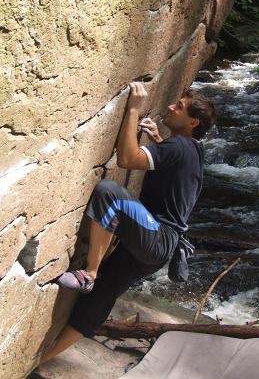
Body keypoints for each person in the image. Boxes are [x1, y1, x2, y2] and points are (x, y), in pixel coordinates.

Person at [38, 82, 215, 364]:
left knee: (111, 194)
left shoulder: (179, 146)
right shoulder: (193, 150)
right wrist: (158, 141)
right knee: (104, 293)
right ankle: (43, 359)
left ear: (192, 121)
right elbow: (176, 169)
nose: (171, 106)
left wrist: (133, 108)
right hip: (158, 250)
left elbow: (126, 159)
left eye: (178, 107)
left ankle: (89, 274)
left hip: (157, 237)